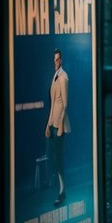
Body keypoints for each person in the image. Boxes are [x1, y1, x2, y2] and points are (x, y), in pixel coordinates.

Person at [45, 48, 71, 207]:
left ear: (61, 60)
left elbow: (65, 104)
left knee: (59, 159)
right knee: (55, 159)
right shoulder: (54, 76)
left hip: (60, 125)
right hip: (53, 124)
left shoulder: (63, 77)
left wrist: (60, 125)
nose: (55, 62)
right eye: (54, 59)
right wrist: (48, 125)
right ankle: (62, 190)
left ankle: (62, 192)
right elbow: (53, 103)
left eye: (57, 59)